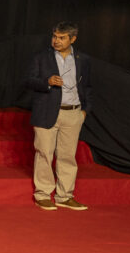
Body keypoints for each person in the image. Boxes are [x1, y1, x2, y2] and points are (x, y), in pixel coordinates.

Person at [25, 22, 92, 211]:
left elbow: (87, 86)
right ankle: (43, 195)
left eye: (62, 38)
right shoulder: (41, 57)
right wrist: (46, 82)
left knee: (67, 156)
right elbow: (28, 81)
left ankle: (65, 196)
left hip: (73, 113)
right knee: (44, 153)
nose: (56, 40)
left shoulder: (83, 59)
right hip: (46, 111)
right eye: (54, 36)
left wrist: (85, 110)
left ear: (73, 39)